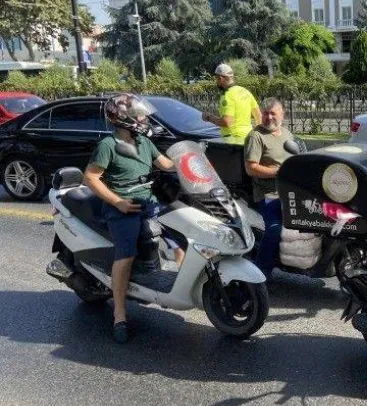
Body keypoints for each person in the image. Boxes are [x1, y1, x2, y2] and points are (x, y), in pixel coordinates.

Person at [84, 93, 185, 344]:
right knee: (126, 256)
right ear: (123, 118)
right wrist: (118, 202)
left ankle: (175, 290)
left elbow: (166, 164)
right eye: (139, 115)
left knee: (180, 242)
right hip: (123, 207)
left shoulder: (143, 142)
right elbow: (91, 178)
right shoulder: (108, 145)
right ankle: (119, 314)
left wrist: (190, 159)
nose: (144, 119)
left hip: (149, 202)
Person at [244, 97, 294, 278]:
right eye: (265, 113)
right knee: (275, 229)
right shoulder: (256, 136)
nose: (269, 117)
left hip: (290, 192)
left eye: (273, 113)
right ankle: (260, 272)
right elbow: (251, 168)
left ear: (282, 114)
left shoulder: (287, 133)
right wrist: (278, 172)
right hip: (268, 194)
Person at [202, 63, 262, 145]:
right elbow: (258, 115)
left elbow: (227, 122)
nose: (216, 81)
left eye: (216, 78)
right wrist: (258, 135)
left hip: (233, 141)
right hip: (249, 138)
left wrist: (209, 117)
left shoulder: (227, 95)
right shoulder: (245, 91)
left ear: (220, 78)